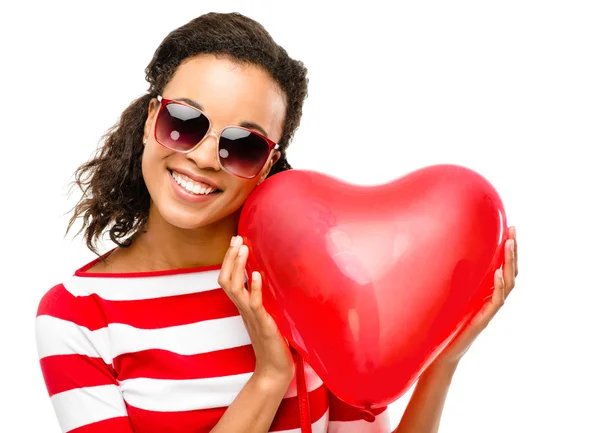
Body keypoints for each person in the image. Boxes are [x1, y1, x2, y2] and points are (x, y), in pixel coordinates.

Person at [35, 12, 519, 433]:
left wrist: (443, 360)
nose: (204, 157)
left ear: (268, 162)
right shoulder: (77, 315)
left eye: (242, 145)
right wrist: (269, 377)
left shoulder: (311, 279)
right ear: (150, 120)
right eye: (184, 121)